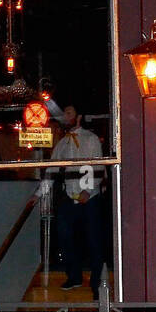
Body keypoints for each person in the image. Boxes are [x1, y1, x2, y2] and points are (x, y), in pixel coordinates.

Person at [32, 106, 108, 293]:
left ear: (79, 117)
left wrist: (88, 191)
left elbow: (97, 168)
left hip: (90, 198)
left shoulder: (90, 139)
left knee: (93, 240)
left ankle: (97, 282)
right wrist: (38, 194)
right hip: (69, 196)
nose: (65, 117)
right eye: (64, 114)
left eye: (69, 113)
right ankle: (74, 277)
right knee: (64, 235)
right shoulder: (62, 143)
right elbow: (51, 170)